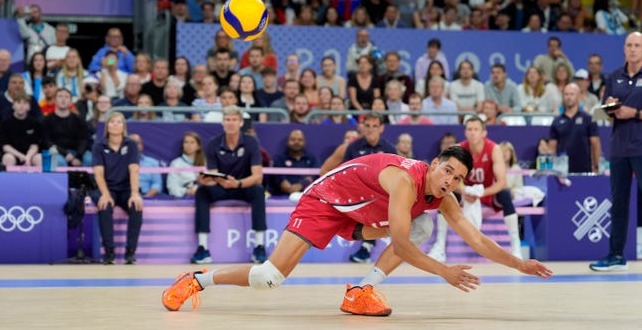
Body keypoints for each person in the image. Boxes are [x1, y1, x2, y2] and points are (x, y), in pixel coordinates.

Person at [161, 147, 553, 315]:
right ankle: (196, 279)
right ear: (433, 164)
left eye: (458, 177)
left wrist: (519, 264)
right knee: (268, 278)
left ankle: (360, 292)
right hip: (325, 202)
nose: (450, 180)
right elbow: (398, 243)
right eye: (447, 170)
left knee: (421, 224)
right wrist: (444, 272)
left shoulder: (444, 196)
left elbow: (477, 238)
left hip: (361, 216)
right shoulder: (405, 181)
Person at [428, 117, 524, 262]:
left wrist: (482, 193)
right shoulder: (460, 149)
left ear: (484, 133)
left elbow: (502, 182)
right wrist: (465, 191)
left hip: (487, 192)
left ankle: (516, 247)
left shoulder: (494, 149)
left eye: (476, 129)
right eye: (469, 129)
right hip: (464, 191)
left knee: (505, 194)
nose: (472, 133)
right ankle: (439, 247)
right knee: (445, 194)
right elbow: (451, 177)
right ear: (465, 132)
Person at [590, 31, 642, 271]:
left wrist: (635, 113)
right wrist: (610, 108)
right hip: (619, 148)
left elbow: (632, 113)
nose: (633, 49)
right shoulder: (613, 77)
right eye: (629, 45)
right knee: (619, 203)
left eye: (637, 45)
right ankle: (616, 255)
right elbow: (604, 113)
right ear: (624, 48)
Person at [190, 106, 267, 265]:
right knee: (202, 191)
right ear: (222, 123)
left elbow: (258, 176)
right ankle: (202, 248)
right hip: (223, 186)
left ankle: (259, 246)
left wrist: (238, 183)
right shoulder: (213, 143)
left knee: (259, 191)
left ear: (240, 123)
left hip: (243, 186)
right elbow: (213, 173)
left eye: (233, 120)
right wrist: (207, 180)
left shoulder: (251, 142)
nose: (230, 123)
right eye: (227, 120)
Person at [90, 112, 143, 264]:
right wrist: (105, 194)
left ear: (124, 127)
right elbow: (98, 174)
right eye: (112, 121)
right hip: (107, 188)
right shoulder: (99, 146)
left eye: (119, 122)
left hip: (126, 188)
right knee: (104, 206)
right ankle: (109, 252)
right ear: (107, 126)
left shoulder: (131, 144)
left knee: (136, 206)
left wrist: (134, 194)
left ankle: (130, 253)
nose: (115, 124)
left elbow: (134, 170)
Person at [343, 113, 397, 263]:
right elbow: (344, 173)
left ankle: (367, 247)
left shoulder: (389, 149)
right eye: (368, 126)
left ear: (381, 128)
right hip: (357, 192)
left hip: (382, 193)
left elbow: (397, 176)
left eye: (375, 126)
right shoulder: (353, 147)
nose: (371, 130)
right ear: (362, 127)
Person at [548, 83, 601, 174]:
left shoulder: (588, 119)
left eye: (572, 94)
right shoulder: (557, 121)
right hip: (562, 171)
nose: (569, 97)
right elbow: (552, 146)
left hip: (584, 169)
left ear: (579, 96)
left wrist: (596, 166)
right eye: (566, 94)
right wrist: (552, 167)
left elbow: (595, 144)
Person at [43, 88, 91, 167]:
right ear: (54, 100)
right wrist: (65, 154)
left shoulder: (79, 119)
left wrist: (78, 156)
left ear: (71, 101)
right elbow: (47, 142)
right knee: (59, 161)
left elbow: (83, 140)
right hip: (57, 151)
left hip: (77, 151)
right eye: (60, 96)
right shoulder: (47, 120)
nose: (63, 99)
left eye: (66, 97)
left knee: (89, 159)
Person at [0, 93, 43, 167]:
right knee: (8, 158)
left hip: (30, 154)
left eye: (25, 103)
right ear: (13, 106)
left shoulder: (35, 123)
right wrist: (20, 156)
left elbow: (35, 145)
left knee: (40, 158)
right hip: (12, 154)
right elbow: (5, 146)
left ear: (29, 107)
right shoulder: (5, 122)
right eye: (18, 102)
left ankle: (39, 178)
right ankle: (9, 178)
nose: (21, 106)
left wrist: (28, 157)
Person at [271, 129, 319, 196]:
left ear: (304, 142)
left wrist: (301, 185)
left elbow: (313, 179)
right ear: (288, 142)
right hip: (283, 196)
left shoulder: (312, 159)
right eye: (293, 139)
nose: (296, 142)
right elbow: (281, 181)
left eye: (300, 140)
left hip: (307, 196)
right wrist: (290, 189)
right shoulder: (279, 159)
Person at [167, 132, 206, 198]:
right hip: (184, 199)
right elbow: (171, 187)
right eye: (186, 142)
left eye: (192, 142)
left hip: (204, 197)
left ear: (198, 146)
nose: (188, 145)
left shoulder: (206, 163)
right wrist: (187, 191)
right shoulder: (175, 163)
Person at [129, 133, 162, 198]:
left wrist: (146, 197)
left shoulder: (153, 163)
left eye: (137, 143)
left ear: (142, 145)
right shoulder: (119, 162)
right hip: (126, 196)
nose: (134, 146)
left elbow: (157, 184)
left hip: (147, 195)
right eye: (132, 144)